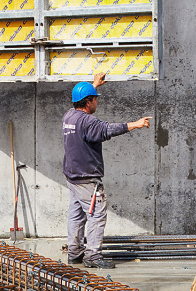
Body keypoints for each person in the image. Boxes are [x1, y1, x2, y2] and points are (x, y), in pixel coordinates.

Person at [62, 72, 151, 269]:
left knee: (76, 215)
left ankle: (75, 253)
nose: (97, 103)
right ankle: (92, 255)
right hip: (87, 179)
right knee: (97, 214)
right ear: (88, 102)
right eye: (95, 99)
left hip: (72, 177)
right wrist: (135, 124)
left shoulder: (69, 116)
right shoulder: (88, 122)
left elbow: (81, 103)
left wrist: (94, 85)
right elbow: (107, 129)